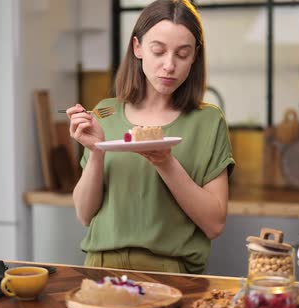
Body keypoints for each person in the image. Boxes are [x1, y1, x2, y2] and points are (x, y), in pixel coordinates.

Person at [66, 0, 234, 274]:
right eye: (159, 51)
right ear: (137, 47)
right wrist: (96, 151)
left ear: (194, 57)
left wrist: (165, 162)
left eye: (182, 54)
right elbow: (84, 214)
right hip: (100, 268)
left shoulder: (208, 122)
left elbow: (214, 224)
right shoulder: (105, 113)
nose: (169, 65)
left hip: (171, 275)